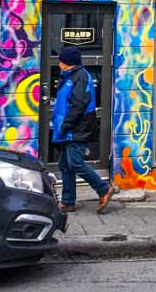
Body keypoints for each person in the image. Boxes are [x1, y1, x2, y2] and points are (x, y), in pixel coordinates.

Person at [51, 46, 115, 214]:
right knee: (65, 164)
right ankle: (68, 202)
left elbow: (78, 105)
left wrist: (66, 126)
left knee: (75, 162)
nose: (58, 63)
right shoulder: (69, 76)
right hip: (70, 128)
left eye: (61, 60)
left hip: (77, 128)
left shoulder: (80, 77)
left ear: (68, 63)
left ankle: (103, 188)